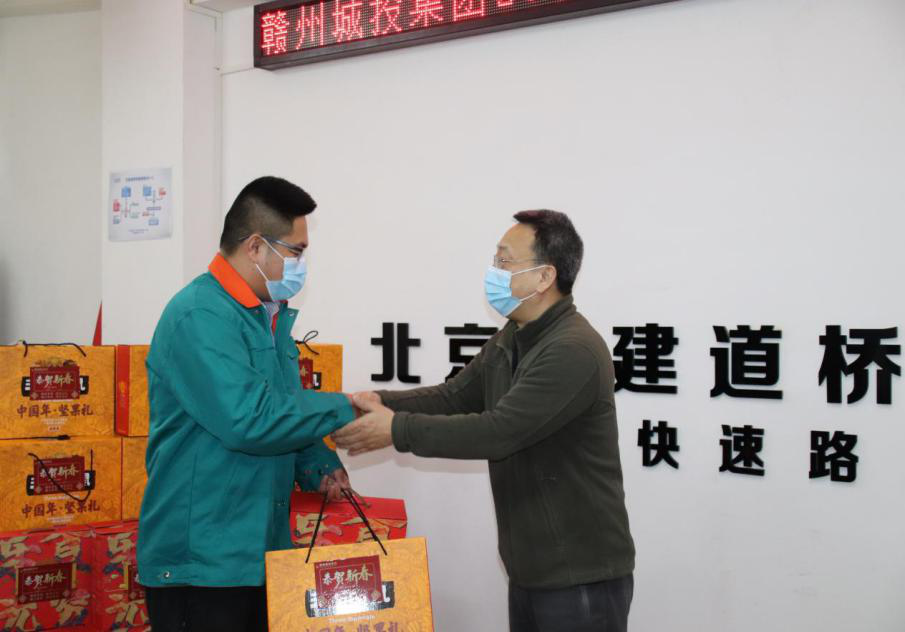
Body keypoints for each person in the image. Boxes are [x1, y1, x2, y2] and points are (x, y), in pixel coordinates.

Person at [333, 209, 635, 632]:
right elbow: (455, 396)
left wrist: (395, 429)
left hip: (578, 575)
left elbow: (499, 431)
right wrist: (374, 402)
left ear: (544, 277)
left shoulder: (573, 349)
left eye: (504, 261)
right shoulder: (514, 335)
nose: (494, 272)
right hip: (532, 568)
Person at [138, 176, 359, 632]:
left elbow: (281, 406)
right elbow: (250, 420)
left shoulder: (265, 317)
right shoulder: (200, 315)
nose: (300, 265)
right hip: (202, 563)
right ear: (256, 246)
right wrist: (350, 406)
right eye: (295, 252)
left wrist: (316, 462)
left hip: (258, 550)